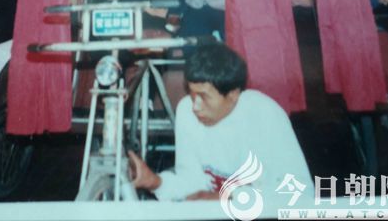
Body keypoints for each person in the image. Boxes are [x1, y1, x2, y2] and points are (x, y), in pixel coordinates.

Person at [128, 44, 312, 202]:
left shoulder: (265, 113)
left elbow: (300, 192)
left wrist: (229, 197)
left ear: (233, 95)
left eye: (204, 97)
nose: (195, 106)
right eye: (192, 94)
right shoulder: (187, 109)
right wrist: (154, 182)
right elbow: (193, 184)